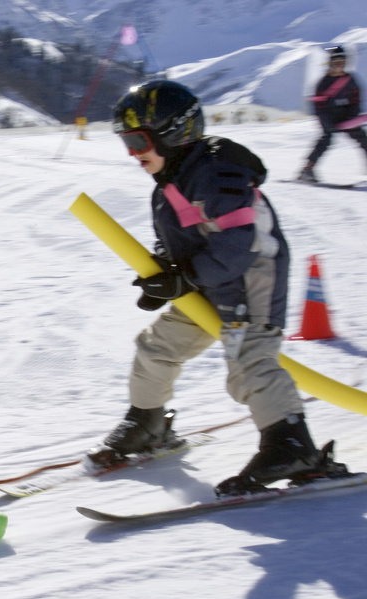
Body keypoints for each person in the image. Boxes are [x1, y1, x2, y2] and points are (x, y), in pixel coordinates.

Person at [96, 79, 347, 498]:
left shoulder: (217, 174)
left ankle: (292, 446)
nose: (133, 154)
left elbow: (237, 246)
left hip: (252, 278)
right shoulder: (171, 180)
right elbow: (178, 239)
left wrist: (184, 277)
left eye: (139, 141)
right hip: (209, 281)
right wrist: (164, 274)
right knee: (156, 346)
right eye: (127, 143)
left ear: (174, 132)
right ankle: (148, 422)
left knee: (250, 361)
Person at [298, 45, 367, 183]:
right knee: (325, 140)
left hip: (347, 118)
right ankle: (307, 169)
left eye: (341, 63)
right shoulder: (323, 83)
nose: (338, 66)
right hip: (328, 118)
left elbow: (356, 101)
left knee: (363, 139)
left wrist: (352, 116)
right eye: (335, 63)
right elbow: (318, 107)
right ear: (330, 64)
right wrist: (326, 123)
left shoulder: (351, 81)